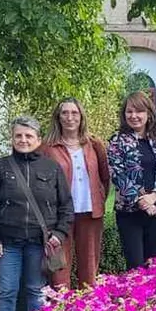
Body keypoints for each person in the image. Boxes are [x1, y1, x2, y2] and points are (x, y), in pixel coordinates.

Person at [0, 116, 73, 311]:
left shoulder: (51, 168)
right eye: (18, 136)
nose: (23, 140)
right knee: (6, 291)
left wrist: (59, 233)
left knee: (35, 291)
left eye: (28, 136)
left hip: (38, 242)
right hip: (7, 242)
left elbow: (66, 206)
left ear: (38, 139)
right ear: (12, 138)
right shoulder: (0, 168)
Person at [41, 97, 111, 287]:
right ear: (58, 117)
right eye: (65, 113)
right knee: (59, 272)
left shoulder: (94, 144)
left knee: (89, 270)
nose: (70, 117)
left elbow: (105, 177)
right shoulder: (47, 147)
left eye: (74, 113)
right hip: (59, 217)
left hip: (90, 213)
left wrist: (99, 199)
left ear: (81, 117)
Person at [107, 91, 156, 270]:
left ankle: (153, 298)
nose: (134, 116)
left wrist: (154, 196)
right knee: (135, 265)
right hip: (129, 212)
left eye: (139, 111)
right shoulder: (117, 141)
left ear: (149, 114)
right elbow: (117, 173)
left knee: (154, 265)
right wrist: (142, 201)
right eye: (129, 112)